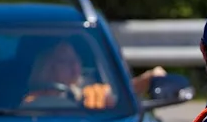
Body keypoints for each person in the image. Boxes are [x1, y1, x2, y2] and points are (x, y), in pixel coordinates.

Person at [24, 40, 168, 108]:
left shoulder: (90, 89)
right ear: (49, 66)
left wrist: (148, 78)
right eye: (65, 61)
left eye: (76, 60)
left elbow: (123, 93)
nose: (74, 66)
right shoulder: (31, 99)